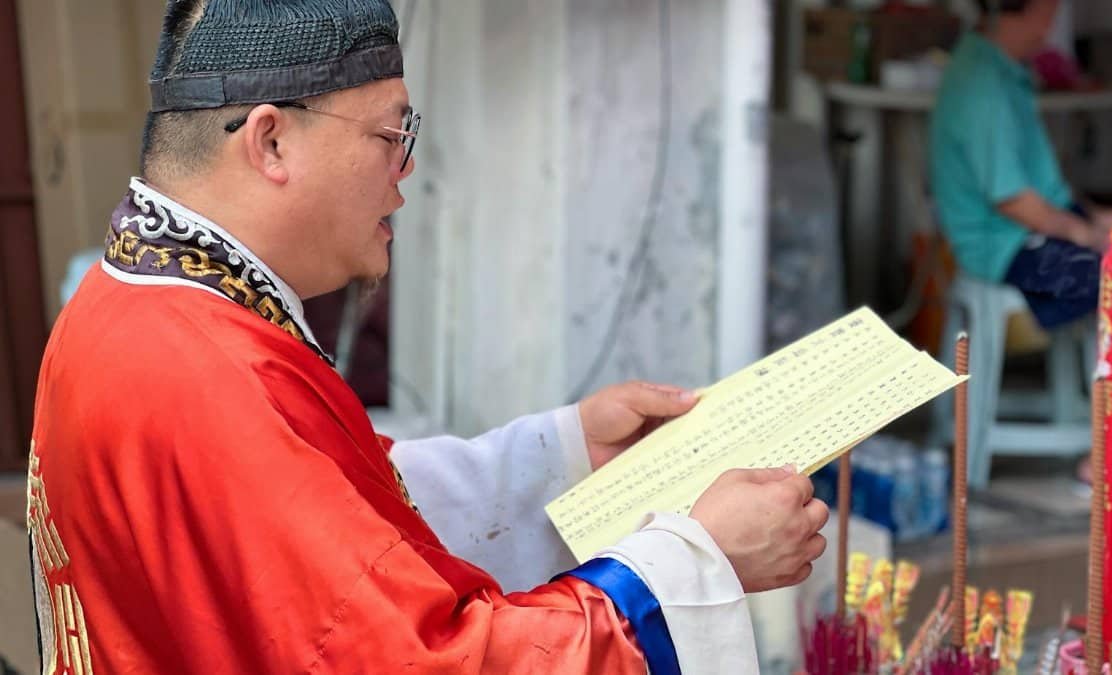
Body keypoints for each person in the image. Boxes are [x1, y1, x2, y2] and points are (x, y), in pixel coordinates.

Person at [25, 1, 830, 673]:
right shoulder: (212, 376)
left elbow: (336, 513)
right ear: (270, 141)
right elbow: (423, 657)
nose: (405, 176)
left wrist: (563, 453)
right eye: (390, 136)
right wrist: (696, 562)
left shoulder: (130, 301)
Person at [929, 0, 1112, 485]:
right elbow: (1013, 200)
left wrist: (1095, 217)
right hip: (1005, 247)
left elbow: (1040, 187)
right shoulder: (983, 85)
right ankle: (1110, 449)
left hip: (1028, 233)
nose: (1051, 25)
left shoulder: (1002, 68)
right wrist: (1087, 233)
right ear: (1021, 11)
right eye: (1047, 13)